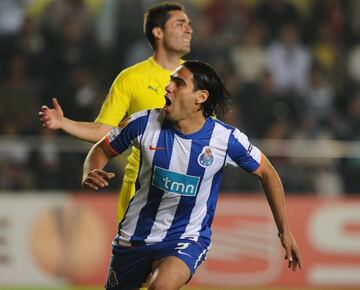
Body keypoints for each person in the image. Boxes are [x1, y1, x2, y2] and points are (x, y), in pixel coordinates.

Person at [82, 60, 302, 290]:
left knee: (161, 287)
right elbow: (101, 149)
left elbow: (267, 173)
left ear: (201, 97)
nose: (168, 87)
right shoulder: (143, 123)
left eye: (178, 83)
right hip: (134, 237)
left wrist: (284, 230)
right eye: (170, 81)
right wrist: (91, 170)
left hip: (186, 238)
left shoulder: (224, 139)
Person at [38, 2, 193, 221]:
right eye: (180, 24)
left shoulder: (198, 77)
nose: (189, 29)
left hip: (185, 195)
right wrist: (65, 123)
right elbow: (104, 129)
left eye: (188, 24)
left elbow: (209, 133)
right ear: (158, 32)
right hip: (140, 195)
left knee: (176, 256)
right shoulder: (131, 79)